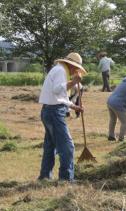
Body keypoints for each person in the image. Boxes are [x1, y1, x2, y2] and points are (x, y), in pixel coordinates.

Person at [38, 52, 87, 181]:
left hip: (49, 111)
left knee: (50, 146)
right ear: (71, 65)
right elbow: (56, 89)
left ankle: (45, 177)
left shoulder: (60, 70)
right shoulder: (60, 71)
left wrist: (74, 106)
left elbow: (60, 97)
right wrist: (73, 82)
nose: (75, 72)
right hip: (54, 112)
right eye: (76, 68)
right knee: (67, 146)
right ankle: (66, 179)